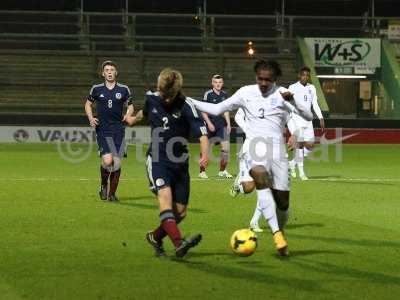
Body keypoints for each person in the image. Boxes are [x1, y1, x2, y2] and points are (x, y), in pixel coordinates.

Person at [189, 59, 313, 256]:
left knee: (283, 203)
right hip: (255, 148)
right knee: (259, 178)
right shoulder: (246, 92)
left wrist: (293, 103)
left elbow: (308, 116)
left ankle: (280, 228)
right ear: (256, 77)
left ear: (275, 79)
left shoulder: (284, 94)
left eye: (268, 80)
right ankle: (276, 233)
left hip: (278, 152)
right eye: (260, 79)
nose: (263, 83)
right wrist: (189, 100)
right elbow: (217, 109)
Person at [125, 68, 209, 258]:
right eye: (163, 94)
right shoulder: (152, 99)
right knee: (165, 199)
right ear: (158, 89)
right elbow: (143, 113)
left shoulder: (187, 105)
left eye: (170, 95)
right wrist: (132, 120)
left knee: (180, 212)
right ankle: (179, 243)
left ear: (177, 91)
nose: (166, 99)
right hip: (157, 159)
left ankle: (155, 237)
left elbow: (202, 133)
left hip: (180, 163)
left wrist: (205, 154)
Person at [84, 60, 134, 202]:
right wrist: (91, 118)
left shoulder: (124, 89)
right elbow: (87, 104)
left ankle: (112, 194)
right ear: (103, 73)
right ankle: (103, 185)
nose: (110, 72)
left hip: (118, 129)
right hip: (103, 129)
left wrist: (128, 114)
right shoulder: (96, 89)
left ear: (116, 72)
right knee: (107, 161)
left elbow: (130, 106)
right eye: (107, 70)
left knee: (117, 163)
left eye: (112, 69)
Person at [287, 66, 325, 180]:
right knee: (300, 145)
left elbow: (315, 104)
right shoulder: (292, 87)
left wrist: (321, 117)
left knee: (310, 146)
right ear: (299, 75)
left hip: (308, 121)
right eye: (303, 75)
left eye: (307, 75)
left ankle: (292, 163)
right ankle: (302, 173)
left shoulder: (312, 88)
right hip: (296, 120)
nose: (305, 77)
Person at [198, 74, 233, 179]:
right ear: (212, 83)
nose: (218, 84)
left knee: (226, 149)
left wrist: (228, 124)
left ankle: (222, 171)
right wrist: (209, 123)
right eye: (216, 82)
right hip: (209, 126)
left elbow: (225, 110)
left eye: (220, 82)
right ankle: (202, 171)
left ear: (222, 83)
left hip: (221, 125)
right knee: (205, 150)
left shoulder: (224, 94)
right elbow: (203, 111)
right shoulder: (208, 94)